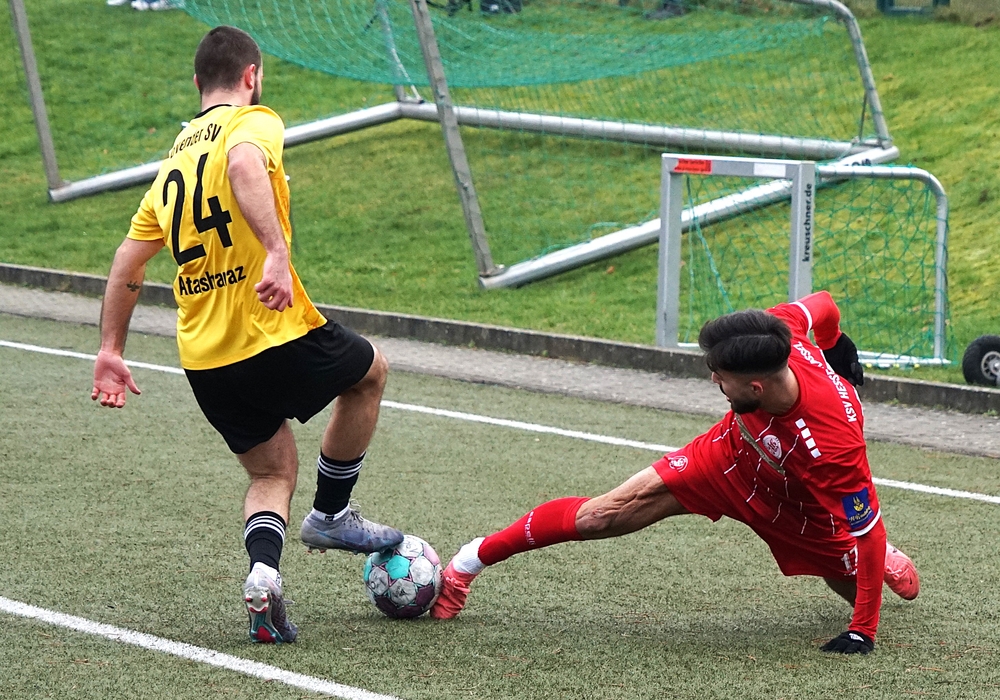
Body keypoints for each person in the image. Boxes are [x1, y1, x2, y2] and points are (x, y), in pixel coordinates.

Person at [91, 25, 404, 645]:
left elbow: (129, 259)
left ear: (196, 82)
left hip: (205, 359)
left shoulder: (174, 160)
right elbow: (241, 163)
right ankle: (332, 514)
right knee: (369, 374)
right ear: (251, 76)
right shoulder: (252, 122)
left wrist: (110, 349)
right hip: (268, 329)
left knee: (270, 472)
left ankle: (264, 575)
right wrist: (276, 253)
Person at [430, 291, 919, 655]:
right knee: (602, 515)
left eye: (721, 378)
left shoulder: (834, 447)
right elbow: (825, 304)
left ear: (756, 387)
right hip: (727, 458)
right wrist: (836, 344)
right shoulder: (777, 331)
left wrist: (862, 631)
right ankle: (468, 563)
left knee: (860, 579)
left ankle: (865, 558)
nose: (713, 379)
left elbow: (869, 532)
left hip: (799, 505)